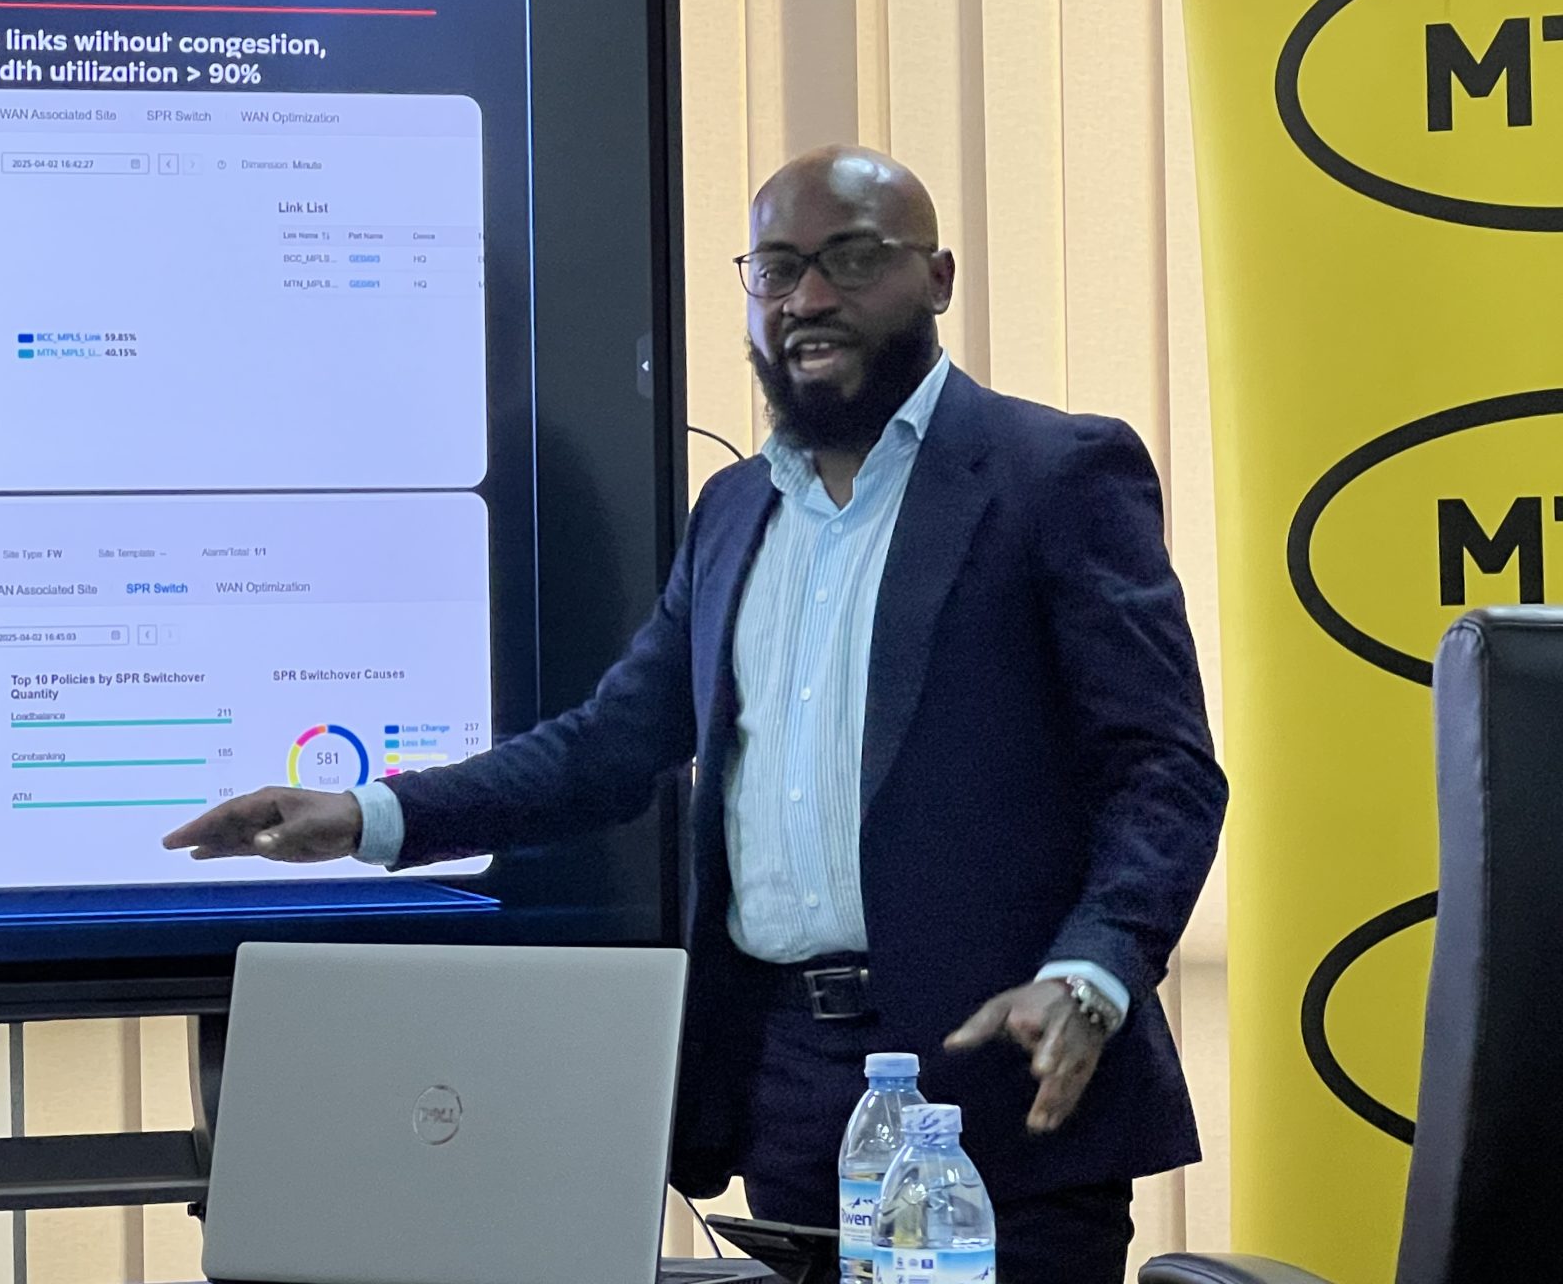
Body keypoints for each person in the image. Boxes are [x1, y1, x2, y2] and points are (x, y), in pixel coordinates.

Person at [164, 146, 1226, 1284]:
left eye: (850, 260)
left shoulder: (1052, 474)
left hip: (997, 1078)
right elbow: (609, 747)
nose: (806, 298)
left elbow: (1162, 769)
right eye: (775, 269)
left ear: (936, 278)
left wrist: (1095, 970)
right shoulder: (732, 510)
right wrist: (366, 815)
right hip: (789, 1083)